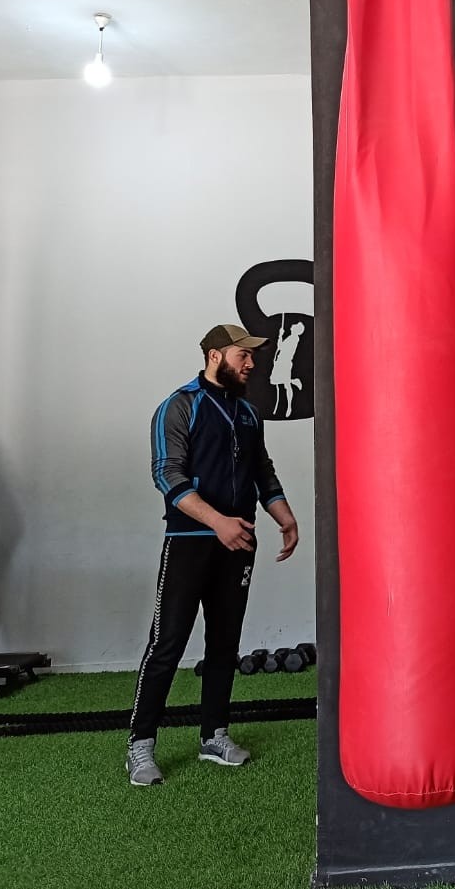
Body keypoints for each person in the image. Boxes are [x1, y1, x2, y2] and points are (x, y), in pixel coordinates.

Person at [126, 323, 301, 786]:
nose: (252, 364)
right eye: (243, 355)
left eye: (252, 357)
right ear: (214, 356)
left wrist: (284, 515)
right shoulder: (179, 406)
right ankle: (140, 746)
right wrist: (218, 522)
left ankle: (214, 736)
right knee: (167, 644)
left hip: (239, 543)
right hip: (189, 542)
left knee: (224, 642)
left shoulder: (248, 412)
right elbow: (167, 475)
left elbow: (262, 471)